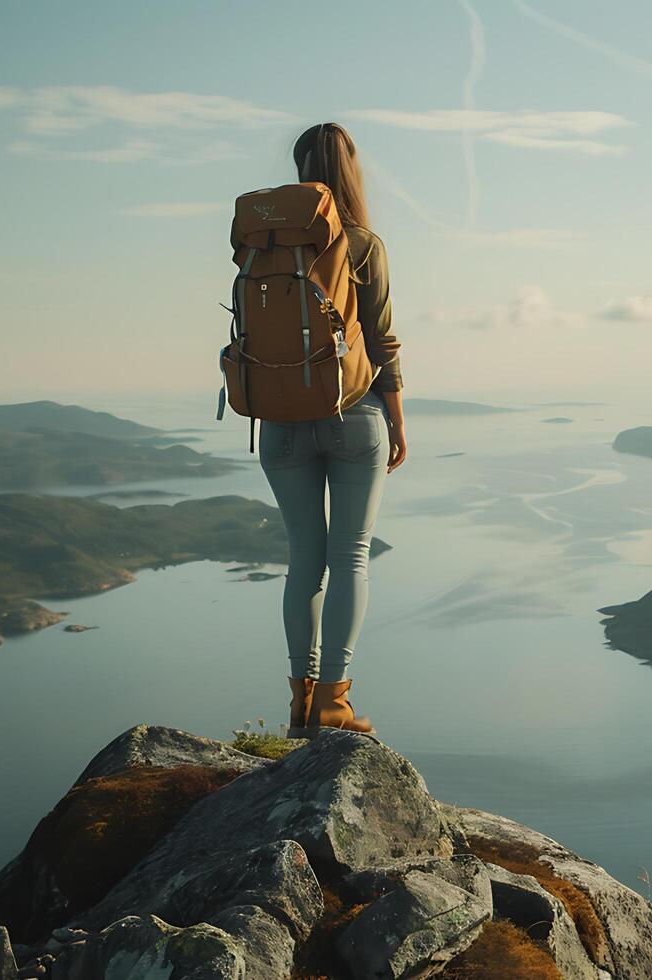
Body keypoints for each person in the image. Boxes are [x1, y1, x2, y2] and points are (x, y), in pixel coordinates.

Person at [262, 122, 406, 738]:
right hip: (355, 417)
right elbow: (382, 341)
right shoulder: (363, 244)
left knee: (304, 560)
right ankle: (334, 703)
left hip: (280, 422)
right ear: (353, 170)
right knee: (350, 556)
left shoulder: (262, 244)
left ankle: (299, 702)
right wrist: (397, 421)